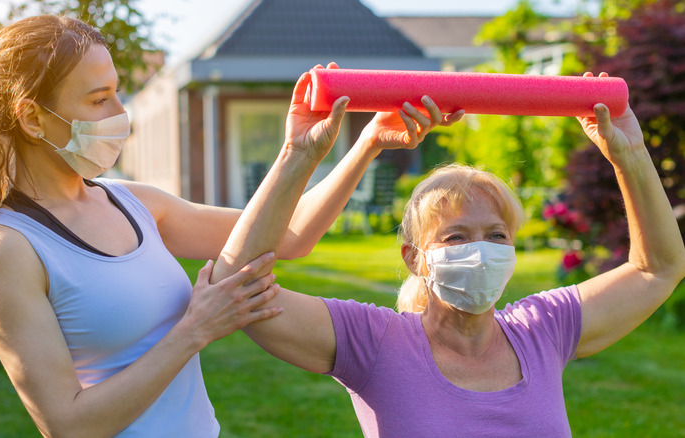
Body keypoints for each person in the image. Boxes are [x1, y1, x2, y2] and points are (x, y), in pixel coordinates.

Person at [0, 14, 464, 437]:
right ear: (32, 117)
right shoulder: (9, 248)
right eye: (99, 99)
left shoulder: (132, 203)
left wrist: (361, 143)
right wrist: (196, 328)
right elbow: (68, 424)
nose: (120, 113)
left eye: (117, 92)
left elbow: (291, 234)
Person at [208, 73, 685, 437]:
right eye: (456, 237)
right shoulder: (376, 343)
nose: (480, 251)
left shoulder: (544, 329)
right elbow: (239, 284)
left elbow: (658, 268)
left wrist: (631, 153)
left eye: (497, 236)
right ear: (415, 257)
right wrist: (299, 154)